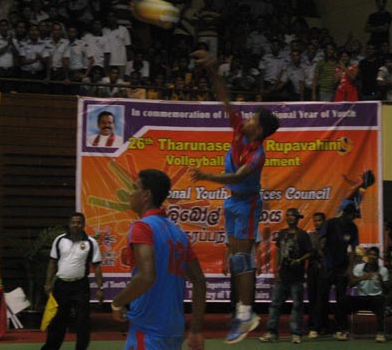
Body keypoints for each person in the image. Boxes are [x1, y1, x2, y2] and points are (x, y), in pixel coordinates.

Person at [189, 48, 280, 344]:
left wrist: (206, 176)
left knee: (242, 257)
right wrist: (214, 70)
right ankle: (243, 312)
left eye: (253, 117)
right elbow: (225, 100)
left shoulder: (258, 154)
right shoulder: (240, 130)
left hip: (247, 203)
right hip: (232, 202)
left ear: (260, 128)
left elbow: (239, 177)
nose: (247, 117)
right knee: (236, 258)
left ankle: (246, 313)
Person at [111, 169, 206, 350]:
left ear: (146, 195)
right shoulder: (178, 232)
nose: (130, 193)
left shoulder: (142, 227)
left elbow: (146, 276)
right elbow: (199, 281)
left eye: (134, 188)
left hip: (148, 327)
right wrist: (195, 330)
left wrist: (117, 303)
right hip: (174, 329)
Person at [41, 212, 104, 350]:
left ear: (83, 225)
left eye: (79, 222)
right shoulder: (59, 240)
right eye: (73, 222)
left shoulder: (91, 242)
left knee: (83, 320)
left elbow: (97, 266)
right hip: (61, 285)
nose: (76, 225)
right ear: (69, 224)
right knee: (58, 320)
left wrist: (100, 288)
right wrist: (48, 283)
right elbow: (52, 262)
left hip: (80, 286)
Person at [259, 208, 311, 344]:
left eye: (292, 216)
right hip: (283, 274)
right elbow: (278, 252)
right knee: (275, 304)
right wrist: (276, 270)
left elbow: (310, 252)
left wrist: (299, 260)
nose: (290, 218)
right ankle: (271, 332)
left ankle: (296, 333)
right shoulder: (282, 233)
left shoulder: (303, 235)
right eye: (288, 216)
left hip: (297, 276)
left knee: (297, 305)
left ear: (298, 218)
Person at [311, 203, 359, 341]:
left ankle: (341, 329)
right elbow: (320, 239)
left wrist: (350, 268)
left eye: (354, 216)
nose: (353, 218)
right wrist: (321, 256)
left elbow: (353, 250)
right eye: (352, 215)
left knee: (341, 299)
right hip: (327, 266)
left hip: (342, 267)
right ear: (345, 213)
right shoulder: (330, 223)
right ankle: (316, 328)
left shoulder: (353, 228)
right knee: (322, 297)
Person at [348, 246, 389, 342]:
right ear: (367, 256)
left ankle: (380, 333)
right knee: (343, 300)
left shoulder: (383, 270)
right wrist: (361, 278)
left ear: (378, 257)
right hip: (361, 298)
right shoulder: (359, 268)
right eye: (370, 254)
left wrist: (381, 280)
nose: (372, 257)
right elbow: (351, 284)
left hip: (376, 299)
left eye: (374, 255)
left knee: (380, 301)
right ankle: (344, 330)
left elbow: (387, 290)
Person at [307, 212, 327, 338]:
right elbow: (308, 251)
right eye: (315, 220)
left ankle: (323, 325)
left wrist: (319, 252)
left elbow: (327, 253)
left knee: (322, 298)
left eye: (319, 220)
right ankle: (312, 326)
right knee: (312, 298)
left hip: (324, 270)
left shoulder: (329, 236)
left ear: (324, 221)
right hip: (312, 269)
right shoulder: (310, 236)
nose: (317, 223)